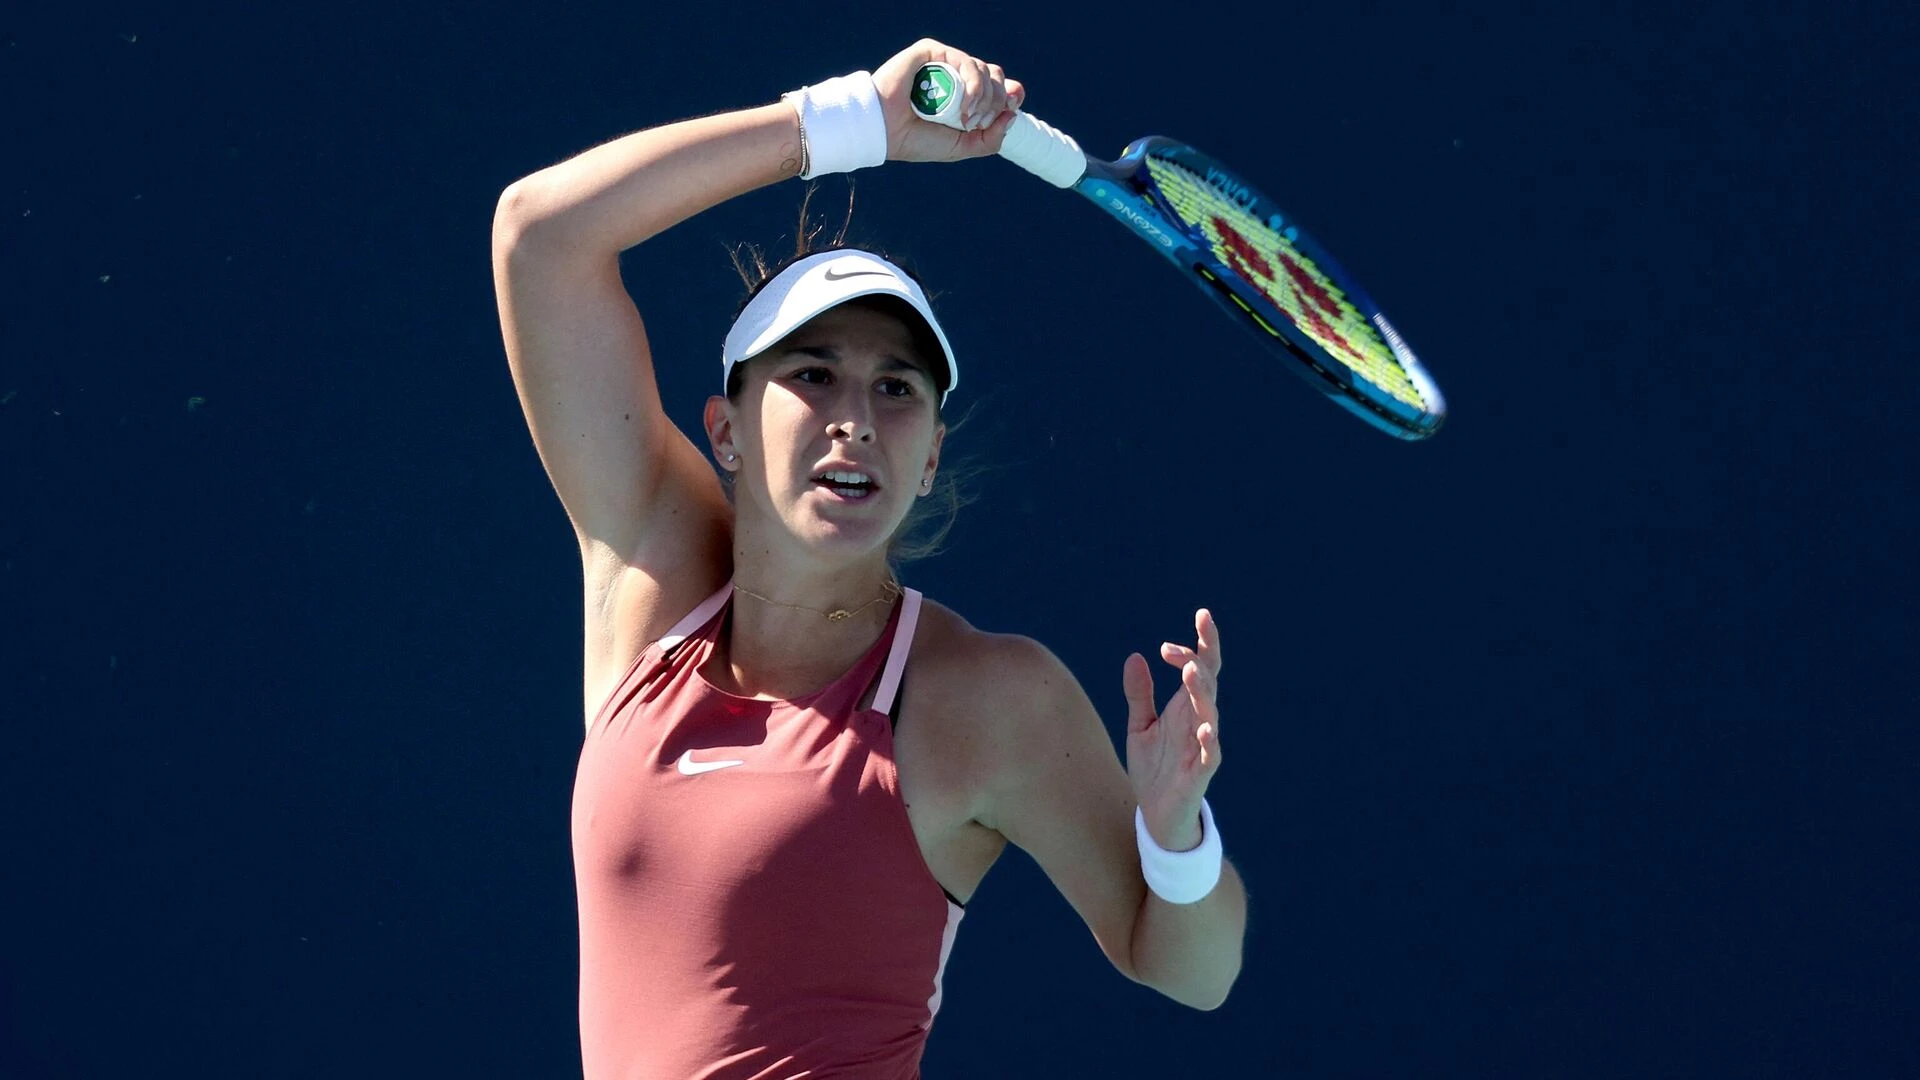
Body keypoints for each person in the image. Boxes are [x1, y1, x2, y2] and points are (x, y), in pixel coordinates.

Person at [490, 38, 1248, 1080]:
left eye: (897, 389)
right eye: (814, 374)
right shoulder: (651, 586)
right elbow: (539, 235)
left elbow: (1191, 971)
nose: (855, 419)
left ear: (929, 457)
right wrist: (853, 124)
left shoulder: (985, 697)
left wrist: (1175, 832)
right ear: (724, 430)